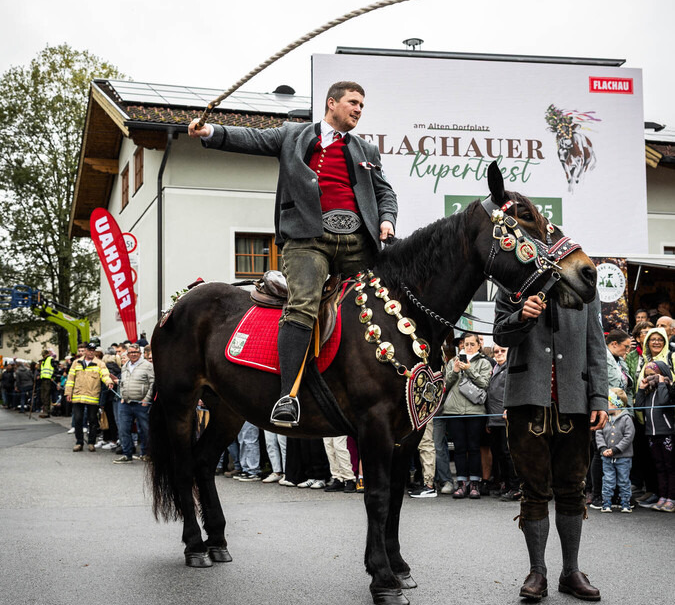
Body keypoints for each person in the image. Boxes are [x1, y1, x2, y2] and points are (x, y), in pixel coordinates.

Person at [189, 81, 398, 428]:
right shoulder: (293, 136)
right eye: (353, 103)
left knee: (380, 302)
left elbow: (384, 193)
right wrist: (210, 129)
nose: (359, 109)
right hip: (308, 239)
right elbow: (251, 139)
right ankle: (288, 396)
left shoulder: (367, 151)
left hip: (357, 242)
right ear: (332, 103)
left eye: (362, 104)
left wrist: (387, 220)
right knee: (303, 301)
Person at [493, 290, 608, 603]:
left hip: (576, 400)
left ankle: (571, 571)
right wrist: (521, 315)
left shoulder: (584, 287)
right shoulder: (513, 285)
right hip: (525, 402)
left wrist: (600, 397)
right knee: (533, 489)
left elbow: (596, 344)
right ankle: (538, 572)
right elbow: (501, 335)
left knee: (573, 487)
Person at [441, 333, 492, 499]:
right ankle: (462, 483)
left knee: (474, 448)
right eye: (465, 344)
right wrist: (455, 371)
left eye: (471, 344)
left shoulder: (483, 362)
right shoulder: (452, 362)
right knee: (460, 448)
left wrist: (469, 370)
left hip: (475, 411)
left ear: (478, 346)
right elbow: (445, 386)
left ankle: (475, 483)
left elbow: (485, 384)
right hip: (454, 411)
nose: (467, 347)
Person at [634, 328, 675, 511]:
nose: (650, 376)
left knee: (670, 466)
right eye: (647, 373)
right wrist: (642, 388)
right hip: (652, 433)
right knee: (658, 466)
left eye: (654, 373)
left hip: (667, 432)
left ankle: (671, 498)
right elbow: (639, 406)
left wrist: (661, 383)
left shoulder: (664, 389)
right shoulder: (649, 391)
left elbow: (665, 402)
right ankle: (662, 496)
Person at [485, 345, 520, 501]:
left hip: (507, 418)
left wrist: (510, 408)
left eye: (502, 351)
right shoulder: (495, 368)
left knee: (509, 454)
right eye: (496, 351)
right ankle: (506, 484)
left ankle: (515, 487)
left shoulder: (511, 368)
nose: (498, 354)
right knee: (499, 454)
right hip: (494, 419)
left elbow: (515, 390)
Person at [65, 342, 114, 452]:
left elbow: (105, 375)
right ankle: (79, 442)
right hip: (78, 396)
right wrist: (68, 393)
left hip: (92, 396)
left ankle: (91, 442)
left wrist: (109, 382)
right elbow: (70, 378)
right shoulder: (76, 363)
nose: (91, 352)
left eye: (93, 350)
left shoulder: (100, 363)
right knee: (78, 419)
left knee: (92, 420)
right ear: (85, 351)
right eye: (89, 350)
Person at [113, 343, 154, 463]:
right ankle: (127, 454)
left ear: (140, 354)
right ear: (128, 354)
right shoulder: (125, 365)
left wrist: (147, 399)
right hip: (125, 403)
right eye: (131, 352)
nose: (134, 354)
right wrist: (122, 396)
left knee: (145, 430)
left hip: (141, 404)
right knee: (123, 428)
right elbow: (123, 382)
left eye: (136, 352)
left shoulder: (147, 366)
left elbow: (153, 383)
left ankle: (147, 454)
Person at [595, 388, 635, 513]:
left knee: (623, 480)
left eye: (607, 402)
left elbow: (629, 436)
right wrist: (603, 448)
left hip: (623, 457)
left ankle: (625, 503)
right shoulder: (605, 418)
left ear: (615, 404)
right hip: (606, 456)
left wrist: (616, 450)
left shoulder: (626, 418)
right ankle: (606, 502)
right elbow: (599, 433)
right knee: (607, 479)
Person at [38, 348, 59, 417]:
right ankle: (45, 410)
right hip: (43, 379)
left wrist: (53, 377)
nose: (43, 356)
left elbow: (56, 369)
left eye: (44, 355)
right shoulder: (44, 361)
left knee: (46, 396)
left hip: (48, 379)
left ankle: (46, 412)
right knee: (43, 396)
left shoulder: (50, 359)